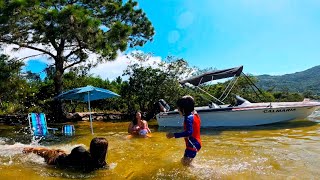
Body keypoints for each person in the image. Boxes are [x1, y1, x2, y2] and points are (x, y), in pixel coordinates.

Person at [22, 137, 108, 172]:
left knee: (42, 151)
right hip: (56, 158)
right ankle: (23, 149)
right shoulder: (101, 164)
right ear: (105, 151)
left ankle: (26, 149)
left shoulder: (80, 150)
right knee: (41, 151)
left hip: (56, 160)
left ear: (91, 146)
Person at [166, 95, 202, 166]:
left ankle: (206, 172)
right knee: (184, 162)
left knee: (185, 164)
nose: (178, 110)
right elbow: (191, 101)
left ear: (183, 109)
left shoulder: (188, 118)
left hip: (192, 145)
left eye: (178, 109)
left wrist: (174, 135)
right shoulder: (194, 115)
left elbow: (189, 132)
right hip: (195, 143)